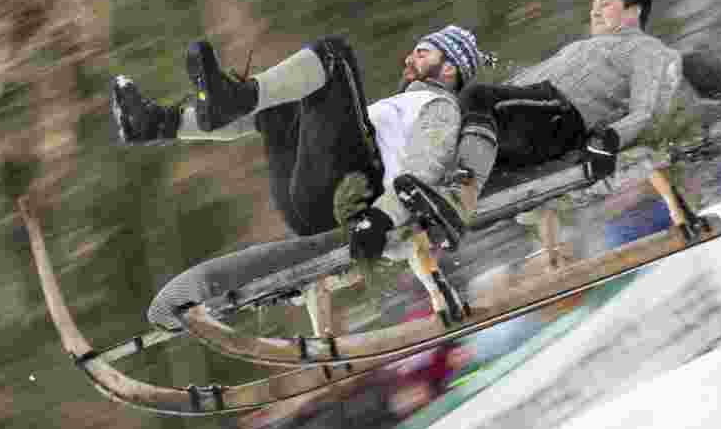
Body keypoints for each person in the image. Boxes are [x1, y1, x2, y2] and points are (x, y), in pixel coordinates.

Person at [109, 26, 494, 261]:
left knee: (334, 57)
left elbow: (423, 171)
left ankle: (234, 98)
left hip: (359, 201)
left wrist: (381, 219)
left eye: (422, 52)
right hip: (307, 206)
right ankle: (157, 123)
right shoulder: (400, 104)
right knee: (279, 103)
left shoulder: (440, 107)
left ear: (449, 69)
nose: (409, 57)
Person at [434, 0, 709, 243]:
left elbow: (645, 113)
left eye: (605, 4)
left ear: (633, 10)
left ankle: (462, 193)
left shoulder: (649, 50)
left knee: (476, 97)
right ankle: (440, 202)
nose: (594, 11)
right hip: (529, 117)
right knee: (451, 121)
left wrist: (610, 139)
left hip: (560, 115)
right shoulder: (590, 46)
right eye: (594, 5)